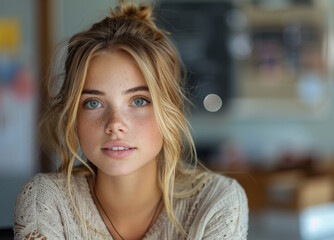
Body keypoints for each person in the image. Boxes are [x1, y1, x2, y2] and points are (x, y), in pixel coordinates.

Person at [13, 1, 248, 239]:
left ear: (170, 109)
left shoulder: (217, 202)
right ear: (74, 114)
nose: (115, 124)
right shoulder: (46, 201)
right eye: (93, 103)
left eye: (139, 101)